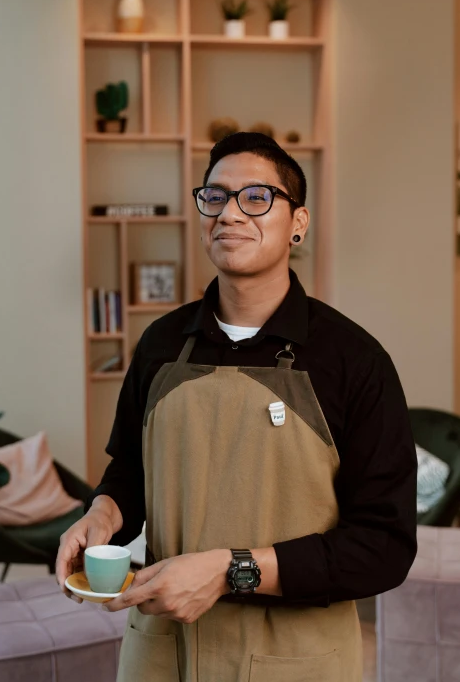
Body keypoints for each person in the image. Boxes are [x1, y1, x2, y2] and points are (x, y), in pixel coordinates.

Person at [56, 132, 417, 682]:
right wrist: (102, 514)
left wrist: (232, 570)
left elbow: (384, 547)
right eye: (216, 197)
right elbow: (131, 468)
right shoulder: (159, 343)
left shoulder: (354, 360)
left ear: (299, 222)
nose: (229, 213)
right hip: (160, 655)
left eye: (256, 197)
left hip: (295, 662)